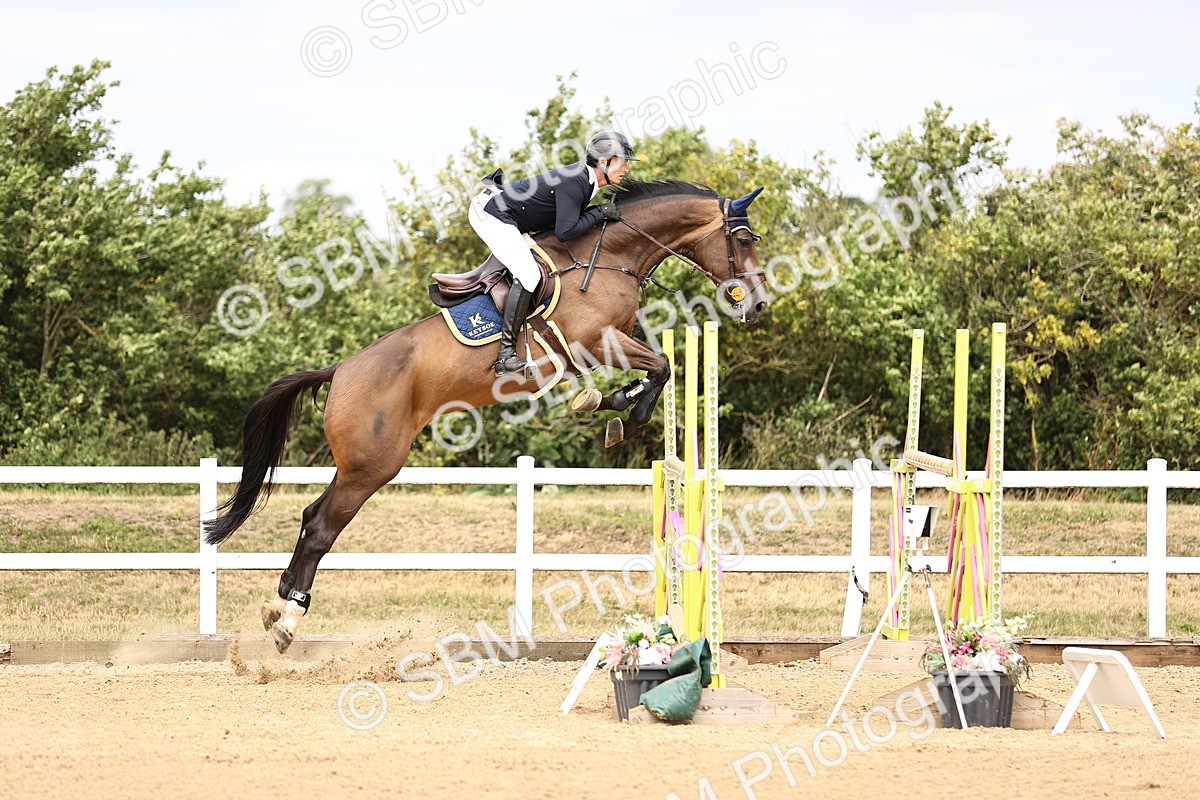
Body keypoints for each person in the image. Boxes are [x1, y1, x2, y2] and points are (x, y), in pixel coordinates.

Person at [468, 130, 638, 375]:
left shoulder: (586, 181)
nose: (626, 169)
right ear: (603, 161)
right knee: (529, 275)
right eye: (622, 162)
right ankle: (505, 356)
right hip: (492, 214)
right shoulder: (577, 180)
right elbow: (566, 231)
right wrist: (600, 213)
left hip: (512, 217)